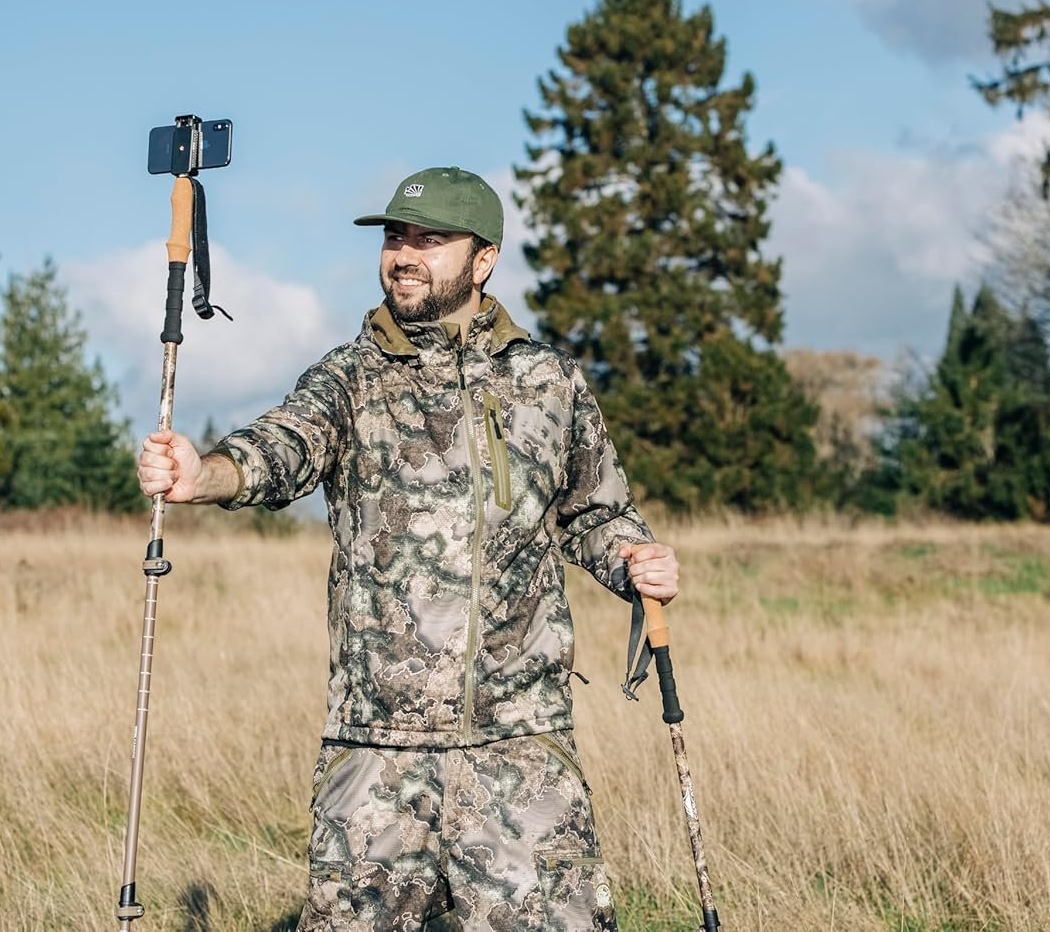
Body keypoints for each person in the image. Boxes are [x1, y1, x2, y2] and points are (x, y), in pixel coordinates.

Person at [138, 166, 680, 931]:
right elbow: (284, 445)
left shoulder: (549, 383)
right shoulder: (351, 378)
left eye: (430, 240)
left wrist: (633, 558)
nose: (404, 255)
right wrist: (206, 475)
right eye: (396, 237)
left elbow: (595, 512)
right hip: (376, 752)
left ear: (483, 259)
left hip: (520, 744)